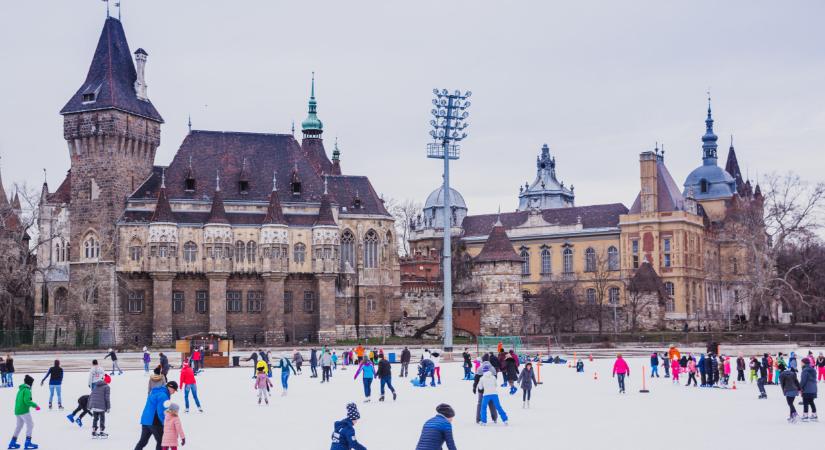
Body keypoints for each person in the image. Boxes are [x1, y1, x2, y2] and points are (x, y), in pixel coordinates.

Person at [134, 381, 178, 450]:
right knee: (162, 442)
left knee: (142, 442)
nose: (174, 392)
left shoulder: (155, 392)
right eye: (174, 390)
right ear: (170, 387)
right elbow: (161, 412)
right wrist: (166, 423)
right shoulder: (163, 396)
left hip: (146, 420)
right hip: (155, 422)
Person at [8, 375, 39, 449]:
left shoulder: (21, 390)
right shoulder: (27, 390)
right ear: (30, 383)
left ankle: (12, 442)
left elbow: (17, 400)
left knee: (19, 426)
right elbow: (27, 401)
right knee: (30, 424)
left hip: (17, 411)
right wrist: (36, 406)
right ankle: (28, 442)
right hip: (24, 411)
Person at [473, 359, 498, 423]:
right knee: (491, 403)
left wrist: (474, 387)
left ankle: (478, 418)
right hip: (490, 390)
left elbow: (476, 380)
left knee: (480, 404)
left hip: (481, 391)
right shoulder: (492, 369)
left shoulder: (479, 368)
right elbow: (495, 379)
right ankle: (494, 418)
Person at [88, 374, 111, 439]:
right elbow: (107, 398)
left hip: (94, 406)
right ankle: (101, 432)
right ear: (107, 381)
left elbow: (91, 396)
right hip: (101, 406)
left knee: (95, 418)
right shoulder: (107, 387)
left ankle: (94, 432)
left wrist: (89, 406)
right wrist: (108, 407)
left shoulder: (96, 385)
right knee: (102, 418)